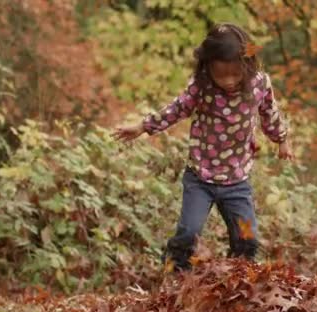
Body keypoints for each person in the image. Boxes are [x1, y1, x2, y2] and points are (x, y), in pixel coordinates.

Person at [113, 23, 292, 271]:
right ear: (208, 67)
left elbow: (270, 113)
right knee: (188, 232)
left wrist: (282, 139)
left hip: (237, 181)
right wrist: (145, 126)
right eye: (221, 75)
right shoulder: (202, 85)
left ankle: (240, 278)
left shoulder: (258, 84)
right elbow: (177, 108)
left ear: (247, 65)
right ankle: (174, 274)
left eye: (235, 74)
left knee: (248, 237)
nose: (229, 81)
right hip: (200, 178)